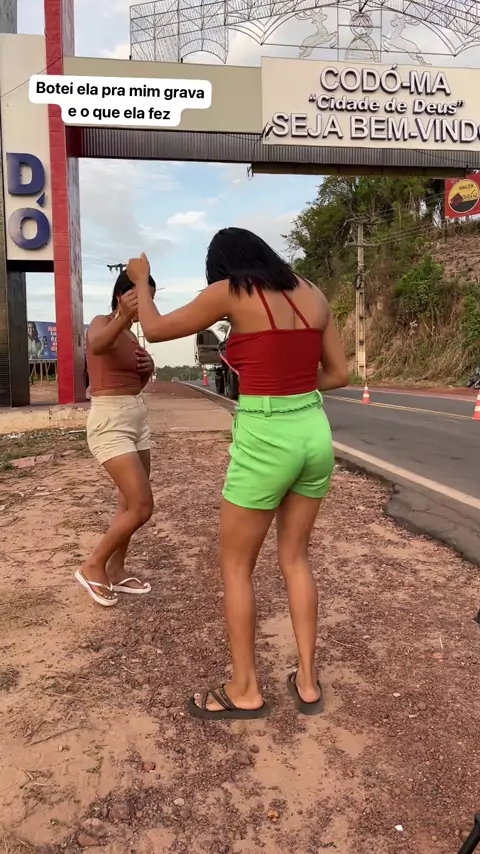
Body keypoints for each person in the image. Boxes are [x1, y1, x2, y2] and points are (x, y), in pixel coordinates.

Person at [127, 228, 348, 719]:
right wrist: (292, 386)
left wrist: (141, 280)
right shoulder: (313, 293)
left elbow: (155, 329)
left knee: (236, 567)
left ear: (223, 267)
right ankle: (307, 682)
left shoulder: (231, 291)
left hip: (267, 435)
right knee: (296, 558)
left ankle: (246, 688)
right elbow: (339, 374)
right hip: (314, 432)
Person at [76, 270, 157, 608]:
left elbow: (131, 385)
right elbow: (96, 345)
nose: (146, 306)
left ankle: (116, 569)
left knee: (127, 502)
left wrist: (148, 369)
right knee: (141, 505)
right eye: (140, 298)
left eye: (150, 299)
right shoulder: (102, 322)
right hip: (110, 422)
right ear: (121, 296)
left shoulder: (131, 336)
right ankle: (93, 565)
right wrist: (122, 315)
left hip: (136, 418)